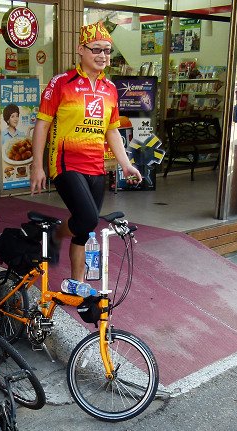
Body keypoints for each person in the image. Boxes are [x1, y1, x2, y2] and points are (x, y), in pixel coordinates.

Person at [30, 21, 142, 283]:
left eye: (107, 50)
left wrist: (125, 164)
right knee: (88, 218)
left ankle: (77, 283)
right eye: (96, 49)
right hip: (66, 163)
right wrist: (37, 164)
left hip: (96, 166)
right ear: (81, 49)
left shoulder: (110, 89)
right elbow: (42, 124)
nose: (102, 56)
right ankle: (57, 233)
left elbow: (112, 131)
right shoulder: (61, 83)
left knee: (83, 230)